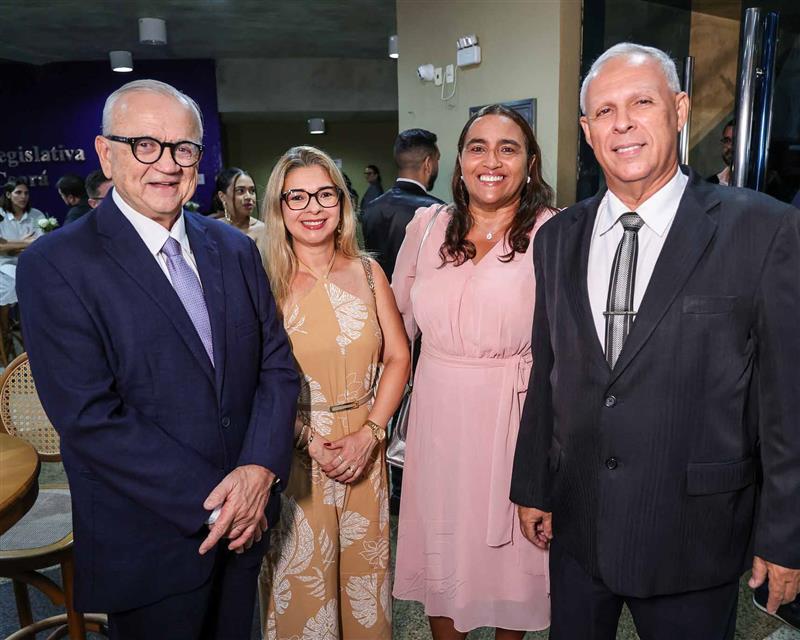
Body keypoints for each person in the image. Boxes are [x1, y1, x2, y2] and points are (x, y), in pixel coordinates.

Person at [510, 42, 800, 640]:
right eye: (605, 111)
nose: (622, 124)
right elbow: (548, 372)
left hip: (694, 536)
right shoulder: (557, 238)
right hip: (579, 527)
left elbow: (788, 403)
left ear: (680, 110)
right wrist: (534, 486)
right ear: (588, 132)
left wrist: (785, 536)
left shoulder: (764, 229)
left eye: (641, 102)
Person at [16, 79, 299, 640]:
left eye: (183, 148)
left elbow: (276, 365)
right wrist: (222, 505)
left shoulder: (234, 248)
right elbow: (89, 417)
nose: (167, 164)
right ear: (106, 153)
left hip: (247, 522)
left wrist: (259, 472)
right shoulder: (57, 264)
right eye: (145, 144)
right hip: (149, 541)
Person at [392, 104, 555, 639]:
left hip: (516, 420)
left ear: (530, 163)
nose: (491, 161)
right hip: (438, 424)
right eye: (477, 147)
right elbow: (393, 332)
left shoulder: (554, 233)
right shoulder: (426, 227)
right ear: (458, 161)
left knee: (515, 565)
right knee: (445, 559)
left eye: (508, 148)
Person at [258, 145, 409, 639]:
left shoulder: (369, 272)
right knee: (303, 597)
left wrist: (371, 433)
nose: (313, 208)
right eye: (297, 196)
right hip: (295, 455)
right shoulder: (264, 281)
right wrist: (310, 441)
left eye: (325, 194)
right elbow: (252, 379)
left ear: (342, 202)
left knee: (365, 588)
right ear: (279, 207)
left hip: (365, 450)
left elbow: (398, 357)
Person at [362, 128, 444, 281]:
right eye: (437, 159)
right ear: (428, 163)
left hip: (378, 294)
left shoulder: (370, 208)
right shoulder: (437, 211)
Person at [0, 180, 46, 342]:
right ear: (8, 194)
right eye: (18, 193)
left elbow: (41, 243)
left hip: (31, 262)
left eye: (26, 193)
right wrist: (26, 243)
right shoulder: (1, 216)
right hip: (4, 264)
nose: (23, 197)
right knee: (9, 285)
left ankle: (34, 330)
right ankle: (5, 331)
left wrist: (11, 246)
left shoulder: (36, 215)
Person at [212, 167, 268, 264]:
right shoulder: (213, 229)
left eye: (252, 191)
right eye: (240, 191)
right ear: (222, 196)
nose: (248, 197)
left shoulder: (264, 230)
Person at [707, 119, 734, 186]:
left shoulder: (756, 185)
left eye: (736, 140)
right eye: (727, 141)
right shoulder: (711, 184)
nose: (730, 146)